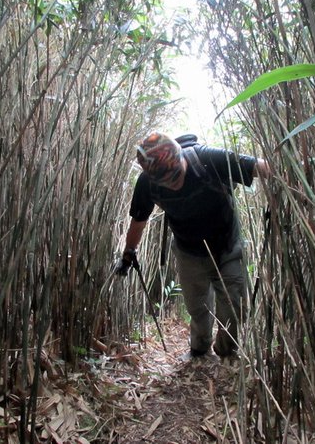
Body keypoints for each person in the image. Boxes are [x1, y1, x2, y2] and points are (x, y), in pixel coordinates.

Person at [115, 132, 270, 359]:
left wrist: (285, 179)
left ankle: (227, 353)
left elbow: (260, 167)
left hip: (226, 245)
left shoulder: (207, 159)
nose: (173, 185)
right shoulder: (147, 184)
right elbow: (139, 221)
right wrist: (129, 253)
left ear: (181, 158)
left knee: (235, 305)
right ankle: (199, 350)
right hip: (188, 250)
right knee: (197, 307)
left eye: (176, 175)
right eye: (165, 182)